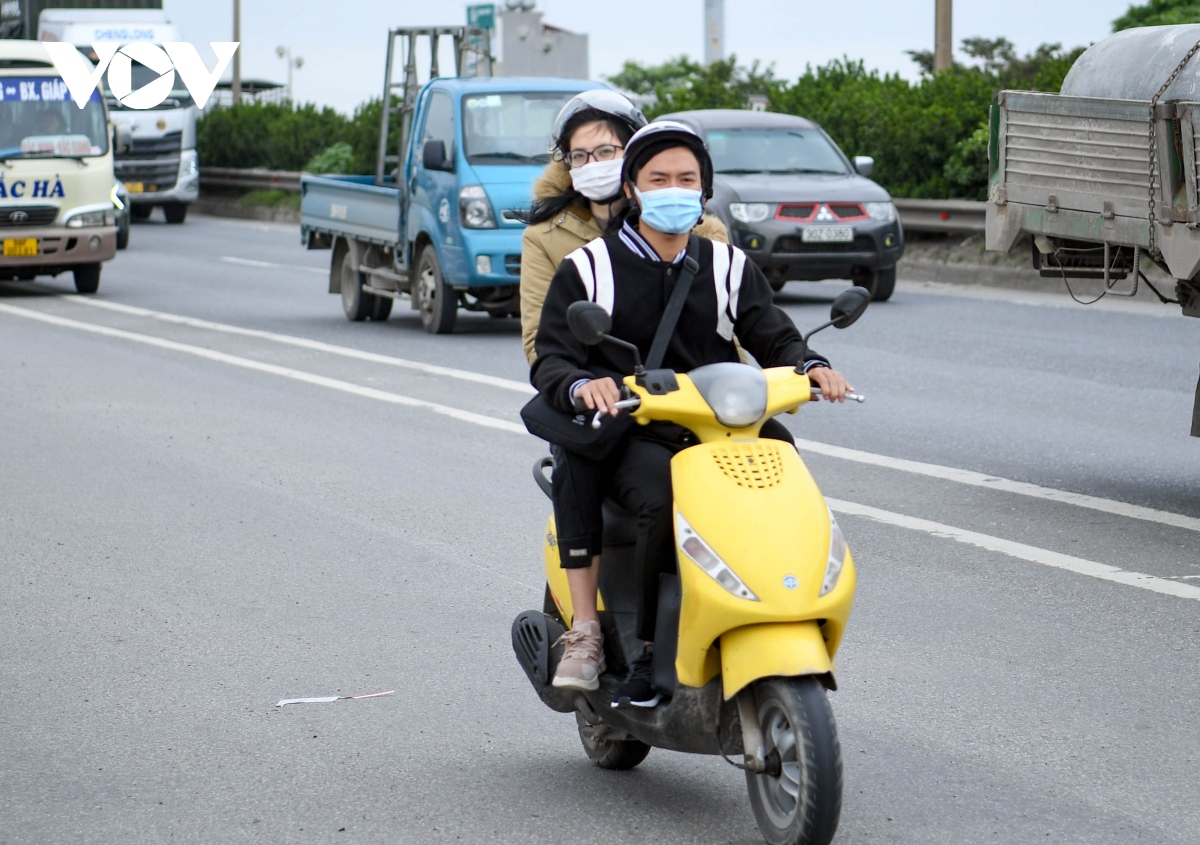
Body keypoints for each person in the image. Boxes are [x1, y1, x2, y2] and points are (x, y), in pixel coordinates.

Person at [531, 122, 852, 705]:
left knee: (782, 459)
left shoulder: (728, 265)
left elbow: (774, 335)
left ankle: (773, 599)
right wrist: (584, 384)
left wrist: (812, 366)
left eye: (687, 179)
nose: (673, 189)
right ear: (631, 188)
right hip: (634, 427)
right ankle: (614, 639)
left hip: (722, 423)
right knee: (658, 496)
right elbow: (552, 358)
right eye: (658, 178)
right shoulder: (590, 268)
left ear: (704, 191)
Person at [519, 90, 729, 365]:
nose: (593, 165)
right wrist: (583, 384)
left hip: (696, 389)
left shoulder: (701, 232)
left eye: (606, 151)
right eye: (580, 156)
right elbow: (541, 341)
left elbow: (733, 329)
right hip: (609, 393)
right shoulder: (544, 238)